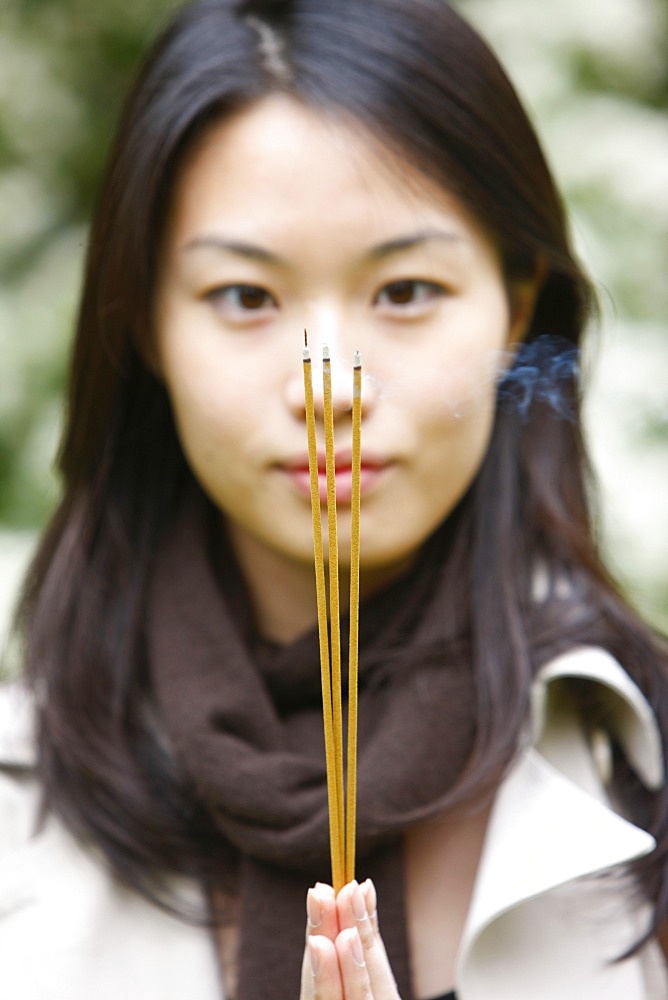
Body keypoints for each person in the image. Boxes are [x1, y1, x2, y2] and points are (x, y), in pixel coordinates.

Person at [0, 0, 666, 997]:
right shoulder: (17, 807)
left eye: (404, 290)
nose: (329, 386)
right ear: (142, 325)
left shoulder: (638, 775)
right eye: (245, 297)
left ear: (515, 307)